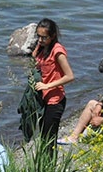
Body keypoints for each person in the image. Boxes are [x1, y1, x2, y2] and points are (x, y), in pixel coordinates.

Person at [31, 18, 75, 154]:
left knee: (48, 138)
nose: (40, 40)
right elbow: (35, 60)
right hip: (43, 98)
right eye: (38, 36)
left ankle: (48, 168)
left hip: (55, 100)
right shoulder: (42, 48)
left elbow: (70, 76)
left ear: (53, 36)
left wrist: (47, 86)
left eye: (44, 37)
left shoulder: (57, 51)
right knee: (43, 136)